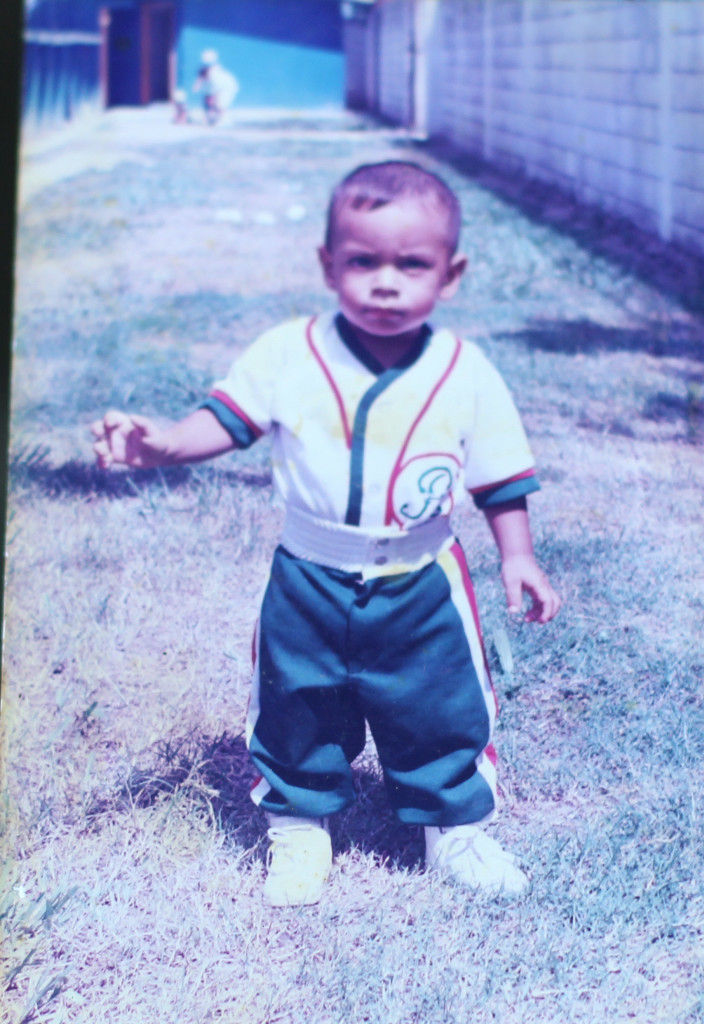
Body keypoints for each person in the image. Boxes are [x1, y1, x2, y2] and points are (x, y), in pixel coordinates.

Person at [92, 161, 561, 907]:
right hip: (311, 569)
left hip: (420, 574)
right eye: (362, 261)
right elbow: (226, 420)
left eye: (411, 265)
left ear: (451, 273)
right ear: (327, 264)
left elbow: (500, 476)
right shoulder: (290, 353)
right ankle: (299, 829)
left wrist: (519, 556)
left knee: (442, 704)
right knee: (296, 701)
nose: (385, 282)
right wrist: (163, 444)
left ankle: (456, 834)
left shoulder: (465, 371)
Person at [192, 49, 239, 125]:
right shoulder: (203, 75)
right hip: (218, 88)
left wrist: (213, 102)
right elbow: (199, 90)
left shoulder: (215, 77)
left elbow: (216, 94)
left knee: (220, 104)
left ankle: (225, 120)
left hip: (228, 88)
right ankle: (214, 119)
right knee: (209, 104)